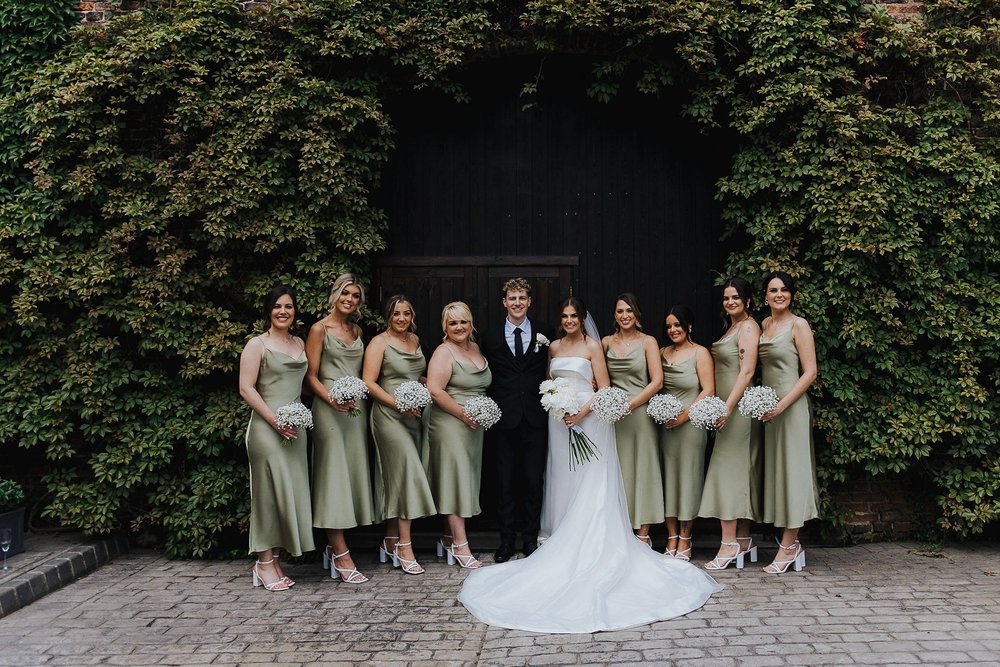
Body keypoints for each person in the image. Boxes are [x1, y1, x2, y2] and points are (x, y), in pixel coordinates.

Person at [458, 297, 721, 633]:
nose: (569, 320)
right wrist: (556, 404)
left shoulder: (595, 345)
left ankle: (593, 537)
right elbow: (548, 383)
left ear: (582, 318)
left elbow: (604, 386)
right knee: (561, 475)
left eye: (574, 316)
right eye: (565, 316)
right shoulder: (552, 347)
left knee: (590, 476)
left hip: (589, 418)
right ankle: (558, 532)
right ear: (561, 319)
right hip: (558, 420)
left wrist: (581, 413)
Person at [238, 285, 315, 591]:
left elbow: (305, 382)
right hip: (267, 429)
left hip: (296, 429)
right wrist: (275, 421)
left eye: (289, 307)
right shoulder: (257, 344)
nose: (283, 311)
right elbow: (246, 388)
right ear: (268, 311)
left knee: (289, 493)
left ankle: (276, 559)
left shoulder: (299, 342)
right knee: (268, 494)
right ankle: (264, 561)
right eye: (278, 306)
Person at [305, 273, 377, 584]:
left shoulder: (357, 330)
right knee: (333, 477)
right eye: (345, 293)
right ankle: (339, 551)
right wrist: (332, 400)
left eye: (356, 296)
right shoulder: (319, 329)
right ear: (335, 294)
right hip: (329, 410)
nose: (349, 299)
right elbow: (310, 376)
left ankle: (335, 548)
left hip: (356, 411)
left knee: (349, 476)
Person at [480, 278, 555, 562]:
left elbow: (552, 370)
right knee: (505, 483)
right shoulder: (490, 337)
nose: (517, 303)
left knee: (534, 482)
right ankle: (506, 542)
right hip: (503, 420)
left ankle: (530, 540)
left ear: (529, 301)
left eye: (522, 298)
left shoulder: (545, 332)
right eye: (512, 298)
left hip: (536, 419)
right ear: (504, 302)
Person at [362, 295, 436, 575]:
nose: (402, 319)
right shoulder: (379, 343)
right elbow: (369, 382)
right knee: (407, 472)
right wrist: (399, 405)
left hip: (414, 416)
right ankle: (405, 545)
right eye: (396, 314)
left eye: (406, 313)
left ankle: (390, 540)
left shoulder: (415, 342)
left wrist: (438, 386)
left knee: (398, 476)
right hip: (389, 416)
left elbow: (416, 375)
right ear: (388, 317)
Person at [698, 278, 763, 570]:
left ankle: (729, 544)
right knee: (737, 473)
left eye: (736, 297)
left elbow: (747, 371)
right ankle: (744, 539)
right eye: (726, 298)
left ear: (747, 300)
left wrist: (727, 407)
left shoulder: (749, 327)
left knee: (726, 473)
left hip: (737, 410)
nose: (730, 302)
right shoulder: (733, 327)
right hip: (727, 407)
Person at [759, 271, 819, 573]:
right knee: (778, 474)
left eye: (784, 290)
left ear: (791, 295)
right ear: (765, 296)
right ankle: (788, 541)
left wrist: (782, 405)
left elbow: (810, 372)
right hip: (769, 410)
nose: (779, 294)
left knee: (793, 473)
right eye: (773, 290)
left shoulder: (799, 325)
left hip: (791, 408)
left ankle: (789, 545)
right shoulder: (764, 325)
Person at [425, 302, 492, 569]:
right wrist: (465, 415)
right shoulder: (444, 352)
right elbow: (435, 390)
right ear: (445, 327)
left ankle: (446, 537)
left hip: (473, 428)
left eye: (463, 321)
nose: (459, 327)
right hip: (450, 423)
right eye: (453, 323)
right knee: (456, 481)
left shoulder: (475, 348)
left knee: (465, 478)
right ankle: (460, 546)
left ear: (470, 323)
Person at [601, 294, 664, 546]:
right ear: (614, 315)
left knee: (642, 469)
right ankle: (620, 529)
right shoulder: (605, 342)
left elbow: (657, 381)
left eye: (629, 310)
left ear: (636, 314)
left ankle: (643, 533)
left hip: (639, 415)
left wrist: (630, 404)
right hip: (613, 418)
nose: (624, 315)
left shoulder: (648, 341)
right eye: (619, 311)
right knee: (618, 471)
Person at [659, 305, 715, 561]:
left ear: (688, 327)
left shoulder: (700, 353)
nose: (673, 330)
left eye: (677, 325)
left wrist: (683, 416)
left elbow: (708, 390)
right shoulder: (661, 352)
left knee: (689, 479)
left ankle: (685, 536)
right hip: (666, 426)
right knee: (669, 479)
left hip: (691, 425)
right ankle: (671, 536)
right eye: (669, 326)